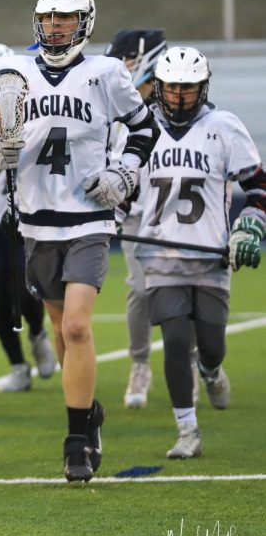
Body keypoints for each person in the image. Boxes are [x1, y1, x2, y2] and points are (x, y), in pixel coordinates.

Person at [0, 0, 160, 482]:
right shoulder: (10, 71)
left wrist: (124, 174)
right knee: (59, 331)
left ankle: (76, 438)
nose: (56, 25)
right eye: (48, 17)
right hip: (36, 221)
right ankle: (89, 411)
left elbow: (144, 129)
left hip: (89, 219)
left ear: (85, 23)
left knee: (77, 326)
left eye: (66, 18)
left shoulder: (104, 74)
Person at [132, 46, 263, 458]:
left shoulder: (223, 125)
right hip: (160, 254)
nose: (180, 96)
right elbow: (122, 188)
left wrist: (251, 223)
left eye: (188, 88)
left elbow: (258, 186)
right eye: (172, 87)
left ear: (202, 88)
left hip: (209, 255)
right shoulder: (139, 129)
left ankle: (211, 369)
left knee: (210, 345)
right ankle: (187, 430)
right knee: (173, 339)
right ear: (160, 88)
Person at [0, 43, 56, 392]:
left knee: (27, 289)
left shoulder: (30, 109)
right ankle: (18, 366)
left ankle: (36, 332)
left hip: (24, 217)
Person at [103, 29, 171, 408]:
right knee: (141, 291)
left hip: (181, 217)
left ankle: (193, 362)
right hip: (137, 217)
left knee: (189, 294)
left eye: (127, 60)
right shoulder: (117, 108)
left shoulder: (180, 102)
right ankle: (140, 364)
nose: (123, 68)